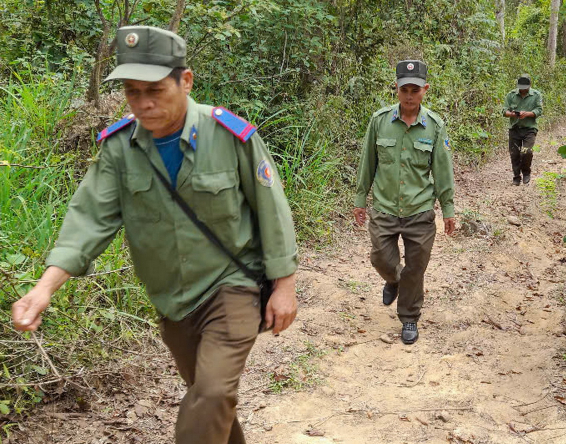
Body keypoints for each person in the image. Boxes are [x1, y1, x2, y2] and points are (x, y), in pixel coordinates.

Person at [11, 26, 298, 444]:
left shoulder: (228, 135)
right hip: (172, 301)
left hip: (231, 285)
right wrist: (43, 289)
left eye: (155, 90)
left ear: (186, 81)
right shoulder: (119, 147)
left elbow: (272, 210)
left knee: (212, 392)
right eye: (132, 92)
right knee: (208, 398)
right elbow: (89, 221)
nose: (143, 103)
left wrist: (284, 286)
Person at [353, 60, 455, 345]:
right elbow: (367, 163)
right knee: (381, 259)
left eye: (415, 90)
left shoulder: (434, 126)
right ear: (396, 89)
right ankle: (394, 279)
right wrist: (360, 199)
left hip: (419, 210)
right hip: (385, 208)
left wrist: (448, 209)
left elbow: (442, 170)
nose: (409, 96)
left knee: (416, 267)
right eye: (404, 90)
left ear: (425, 90)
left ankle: (409, 317)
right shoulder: (380, 121)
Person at [502, 74, 543, 186]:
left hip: (529, 129)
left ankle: (526, 172)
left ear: (530, 85)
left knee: (526, 152)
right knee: (514, 153)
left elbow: (539, 110)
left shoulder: (536, 95)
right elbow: (504, 111)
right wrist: (512, 114)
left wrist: (527, 114)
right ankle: (516, 177)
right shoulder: (511, 95)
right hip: (515, 128)